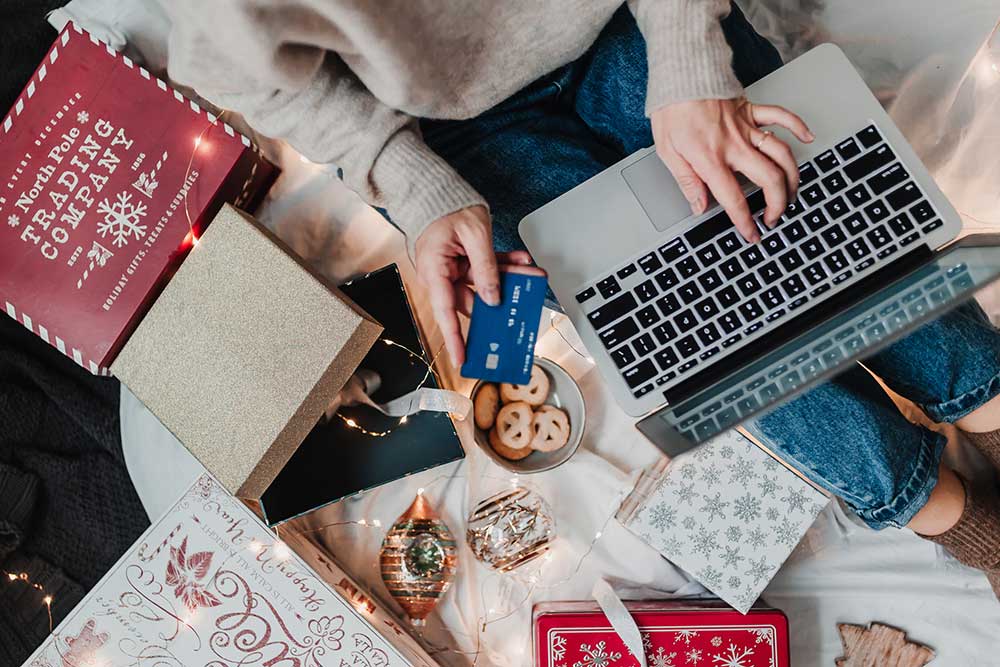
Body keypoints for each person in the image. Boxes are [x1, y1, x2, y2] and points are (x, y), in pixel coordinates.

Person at [160, 2, 1000, 598]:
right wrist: (404, 175)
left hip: (624, 18)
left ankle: (984, 399)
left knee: (799, 214)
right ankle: (948, 511)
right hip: (448, 126)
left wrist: (686, 57)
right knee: (691, 332)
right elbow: (243, 68)